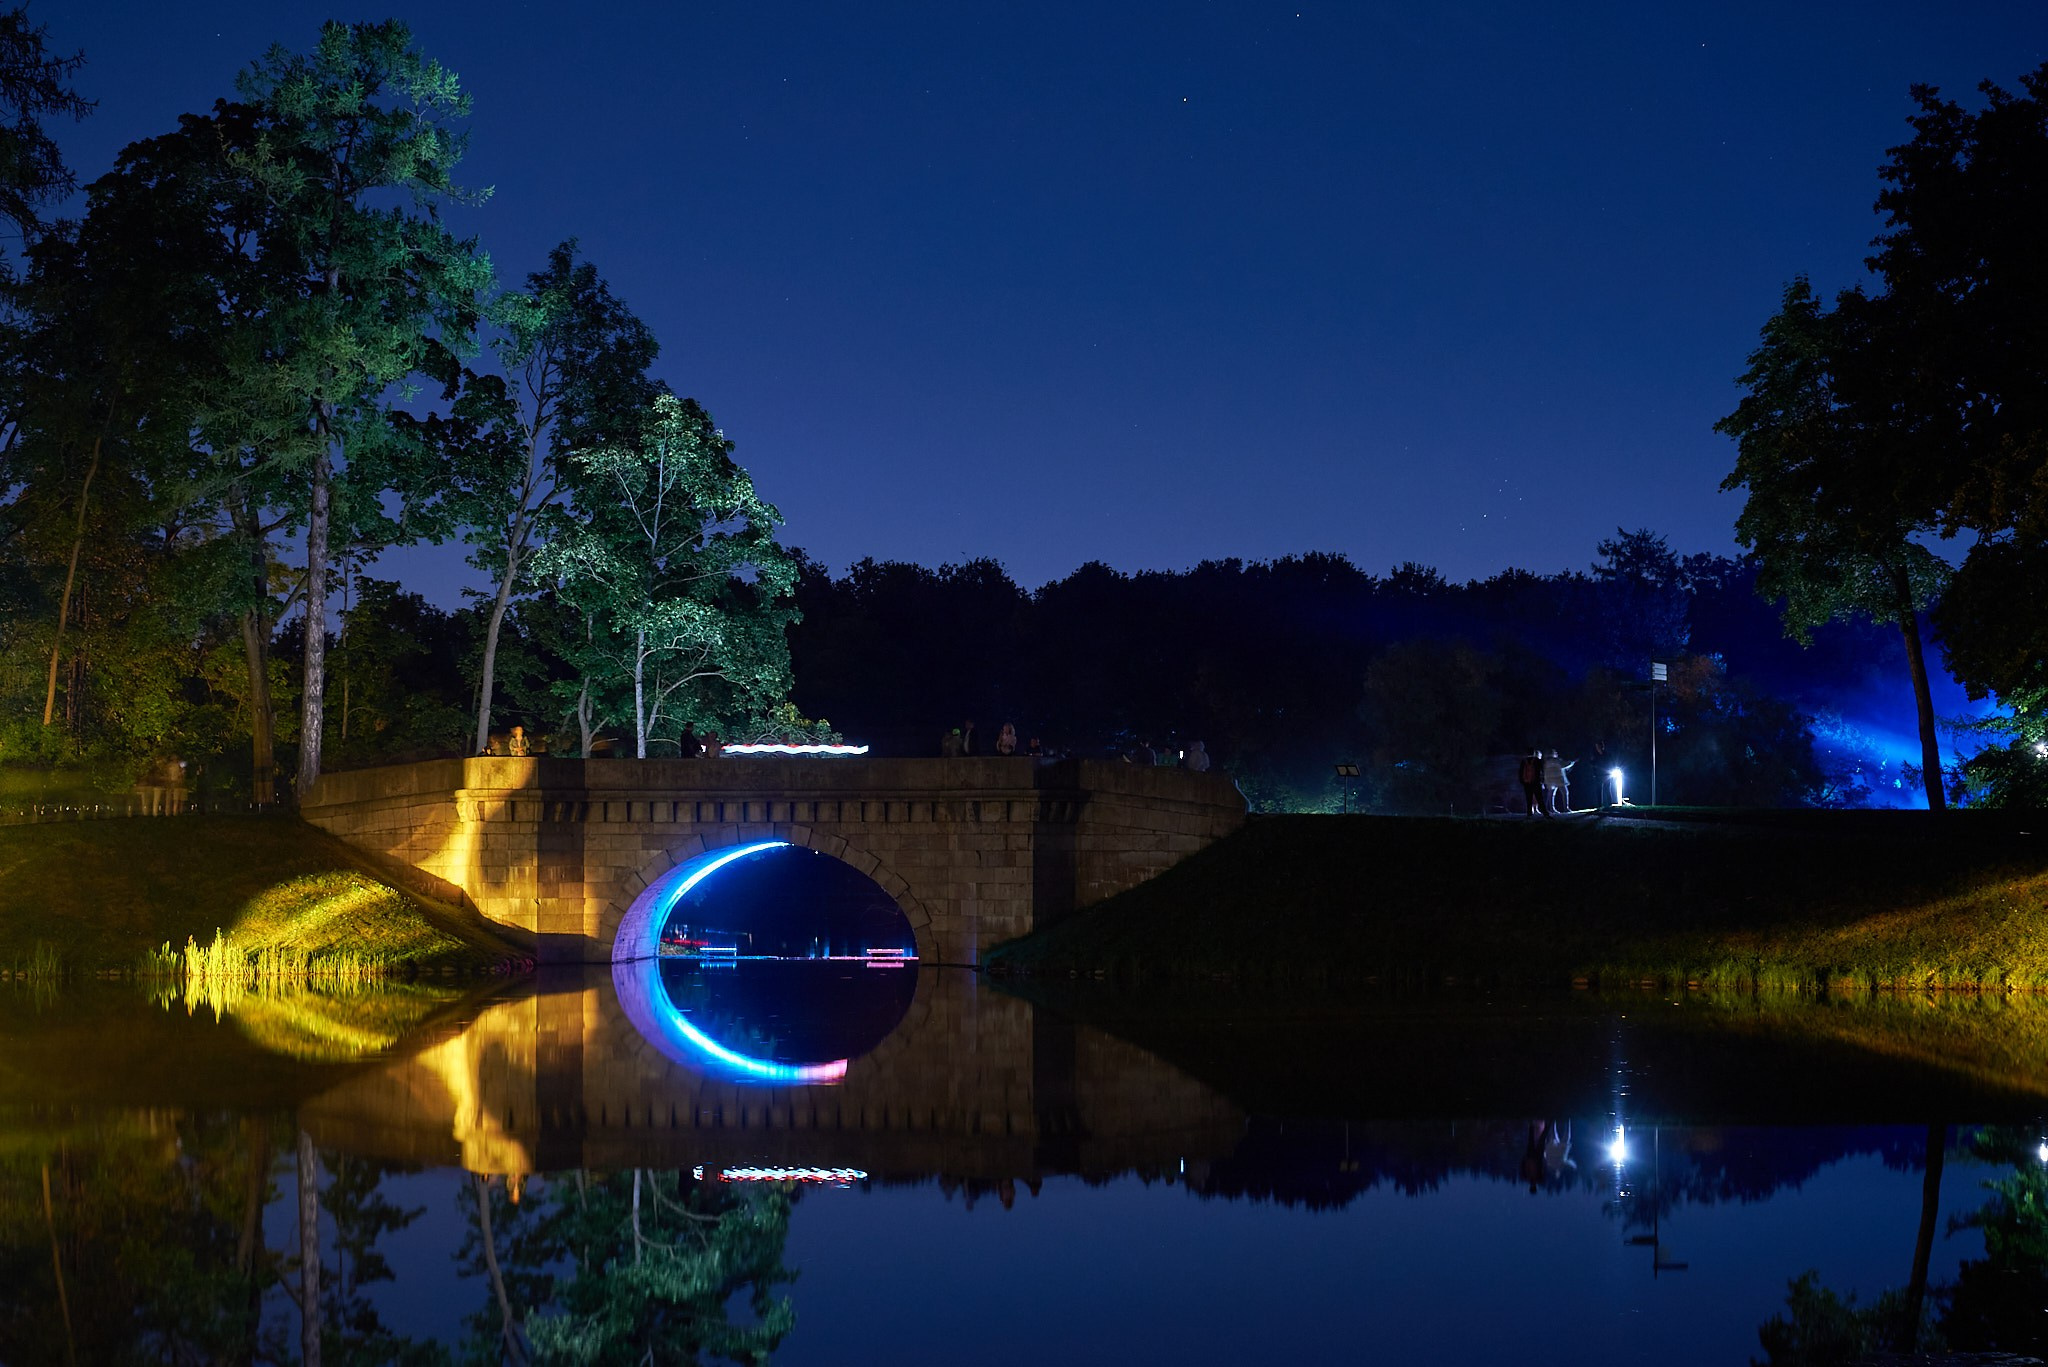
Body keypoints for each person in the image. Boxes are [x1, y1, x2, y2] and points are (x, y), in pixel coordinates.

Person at [1541, 749, 1574, 816]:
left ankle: (1552, 808)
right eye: (1555, 752)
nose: (1556, 753)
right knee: (1565, 792)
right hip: (1559, 779)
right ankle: (1566, 808)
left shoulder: (1546, 762)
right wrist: (1572, 762)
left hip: (1550, 780)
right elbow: (1564, 764)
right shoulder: (1556, 760)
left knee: (1552, 794)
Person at [1518, 750, 1543, 816]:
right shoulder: (1537, 760)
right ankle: (1544, 813)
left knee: (1529, 797)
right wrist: (1541, 780)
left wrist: (1522, 781)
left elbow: (1520, 771)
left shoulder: (1524, 761)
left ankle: (1529, 812)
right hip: (1535, 781)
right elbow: (1540, 771)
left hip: (1527, 782)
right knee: (1538, 797)